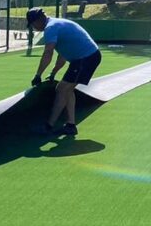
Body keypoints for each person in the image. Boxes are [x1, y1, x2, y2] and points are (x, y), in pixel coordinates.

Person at [26, 7, 101, 136]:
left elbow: (48, 53)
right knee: (67, 89)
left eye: (32, 24)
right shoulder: (56, 24)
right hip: (86, 57)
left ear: (38, 21)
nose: (33, 27)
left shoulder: (51, 28)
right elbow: (62, 57)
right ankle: (70, 125)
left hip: (85, 58)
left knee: (61, 89)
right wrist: (53, 73)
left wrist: (38, 75)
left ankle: (48, 126)